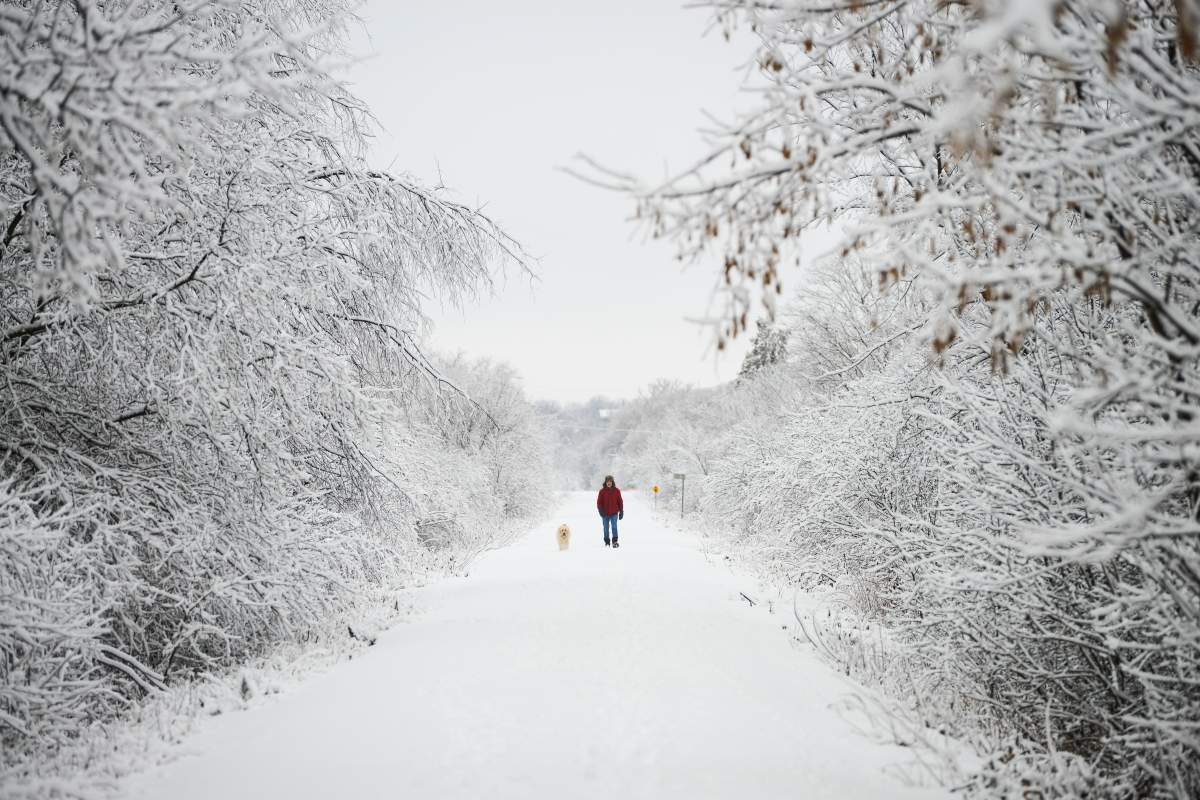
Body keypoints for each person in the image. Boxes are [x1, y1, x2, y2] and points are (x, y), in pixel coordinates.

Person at [596, 475, 624, 548]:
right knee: (606, 528)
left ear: (612, 482)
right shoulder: (602, 491)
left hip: (614, 513)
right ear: (605, 482)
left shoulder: (617, 491)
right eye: (607, 481)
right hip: (605, 514)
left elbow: (620, 502)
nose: (609, 483)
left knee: (614, 527)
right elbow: (599, 503)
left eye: (610, 481)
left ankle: (615, 541)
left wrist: (621, 511)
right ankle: (607, 542)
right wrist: (600, 511)